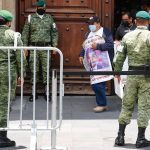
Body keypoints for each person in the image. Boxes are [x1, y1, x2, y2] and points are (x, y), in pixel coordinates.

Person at [114, 11, 150, 148]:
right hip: (146, 76)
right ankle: (140, 139)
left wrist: (117, 71)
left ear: (135, 21)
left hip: (131, 74)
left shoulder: (127, 36)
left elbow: (119, 57)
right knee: (144, 107)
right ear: (148, 22)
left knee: (127, 104)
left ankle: (120, 136)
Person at [22, 0, 58, 102]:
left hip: (46, 48)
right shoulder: (30, 18)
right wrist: (25, 47)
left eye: (44, 8)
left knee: (46, 69)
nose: (43, 9)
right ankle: (33, 93)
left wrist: (54, 46)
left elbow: (54, 32)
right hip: (34, 48)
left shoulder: (49, 18)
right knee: (34, 69)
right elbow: (25, 33)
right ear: (37, 8)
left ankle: (47, 93)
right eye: (41, 8)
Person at [79, 16, 114, 113]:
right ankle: (102, 104)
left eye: (92, 23)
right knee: (95, 83)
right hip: (93, 63)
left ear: (98, 23)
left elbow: (110, 45)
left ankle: (101, 104)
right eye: (89, 24)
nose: (90, 26)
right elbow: (84, 46)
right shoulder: (88, 34)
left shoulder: (105, 32)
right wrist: (81, 55)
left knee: (98, 83)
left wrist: (98, 46)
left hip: (103, 62)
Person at [0, 10, 24, 147]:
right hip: (7, 73)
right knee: (4, 103)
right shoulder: (13, 36)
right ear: (9, 22)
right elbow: (20, 58)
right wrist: (21, 75)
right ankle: (2, 136)